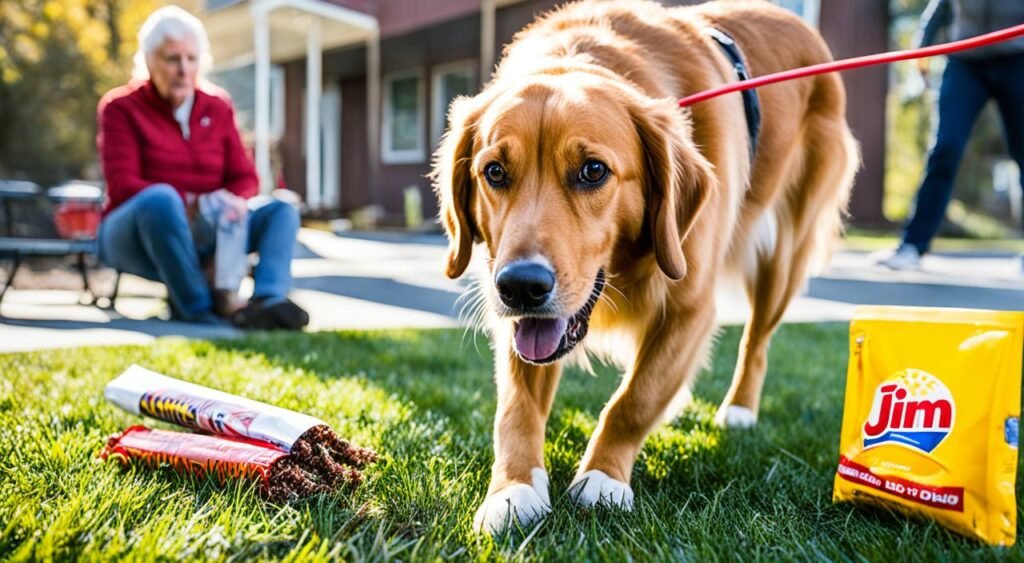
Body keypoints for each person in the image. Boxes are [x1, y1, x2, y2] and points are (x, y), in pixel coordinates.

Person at [97, 6, 308, 329]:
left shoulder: (217, 105)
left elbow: (245, 177)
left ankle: (267, 301)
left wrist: (228, 214)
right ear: (150, 61)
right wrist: (193, 206)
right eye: (172, 59)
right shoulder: (120, 107)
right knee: (162, 199)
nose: (184, 69)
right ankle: (199, 309)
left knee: (282, 207)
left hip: (212, 227)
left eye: (191, 59)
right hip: (136, 232)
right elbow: (124, 184)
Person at [878, 0, 1024, 270]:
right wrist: (922, 53)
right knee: (945, 149)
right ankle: (912, 245)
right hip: (965, 63)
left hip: (1017, 61)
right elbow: (939, 9)